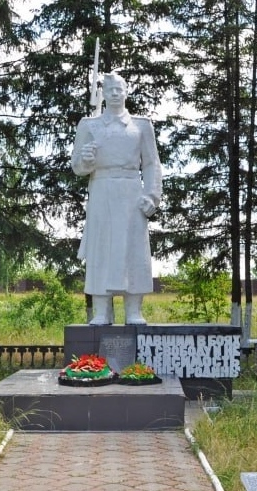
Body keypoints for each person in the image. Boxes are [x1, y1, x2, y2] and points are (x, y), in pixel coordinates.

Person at [71, 72, 163, 325]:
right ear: (103, 93)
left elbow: (152, 163)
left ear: (126, 91)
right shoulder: (89, 125)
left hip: (132, 192)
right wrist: (87, 160)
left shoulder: (141, 126)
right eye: (109, 89)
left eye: (118, 89)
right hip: (101, 190)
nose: (114, 93)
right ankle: (101, 311)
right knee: (101, 249)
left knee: (133, 251)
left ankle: (134, 310)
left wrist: (152, 195)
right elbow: (78, 166)